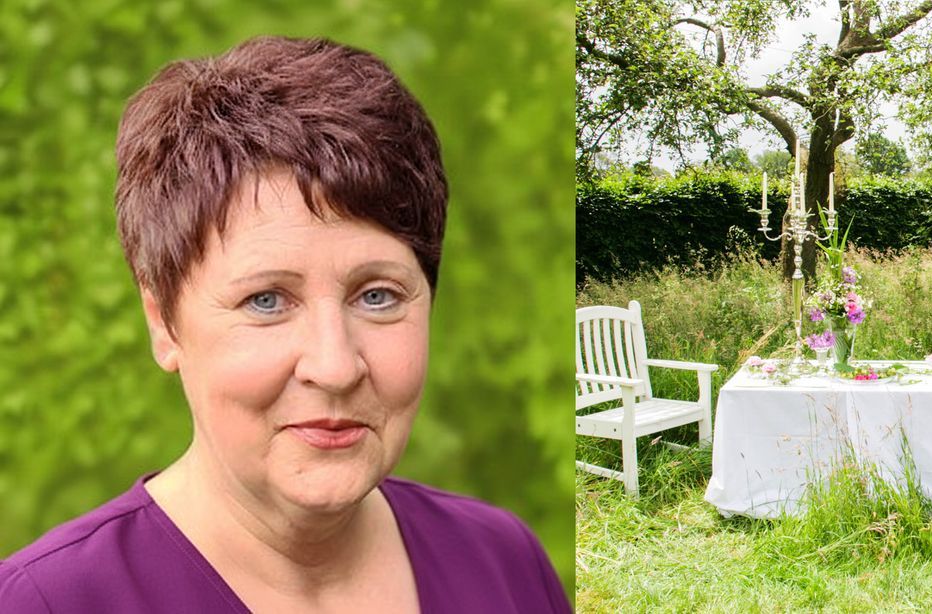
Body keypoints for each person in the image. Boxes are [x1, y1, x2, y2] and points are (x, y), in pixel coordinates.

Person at [0, 36, 569, 612]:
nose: (335, 366)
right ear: (164, 324)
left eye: (377, 296)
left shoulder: (505, 563)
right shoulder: (45, 602)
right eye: (266, 300)